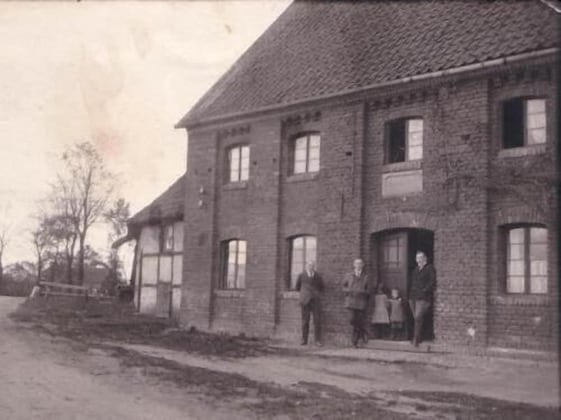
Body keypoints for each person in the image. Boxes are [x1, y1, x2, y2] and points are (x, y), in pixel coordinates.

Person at [409, 251, 436, 347]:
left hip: (424, 298)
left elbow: (432, 282)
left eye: (420, 257)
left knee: (418, 317)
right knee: (417, 318)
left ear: (425, 258)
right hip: (413, 297)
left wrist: (425, 290)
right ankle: (419, 337)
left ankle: (416, 338)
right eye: (417, 258)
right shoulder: (415, 270)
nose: (418, 260)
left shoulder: (429, 268)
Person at [342, 258, 371, 347]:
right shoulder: (348, 275)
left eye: (360, 263)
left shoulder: (366, 276)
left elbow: (369, 290)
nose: (358, 265)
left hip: (361, 302)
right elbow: (343, 287)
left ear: (363, 265)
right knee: (352, 320)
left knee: (359, 320)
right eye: (357, 264)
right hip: (351, 302)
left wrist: (362, 291)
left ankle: (354, 342)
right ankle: (363, 331)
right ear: (354, 265)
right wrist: (349, 290)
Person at [295, 260, 324, 346]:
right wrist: (305, 295)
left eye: (312, 266)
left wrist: (315, 294)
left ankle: (317, 341)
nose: (310, 267)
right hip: (305, 301)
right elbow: (297, 287)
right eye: (309, 265)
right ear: (306, 266)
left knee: (317, 321)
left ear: (314, 267)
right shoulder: (301, 276)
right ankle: (304, 340)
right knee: (305, 321)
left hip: (315, 302)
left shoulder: (318, 276)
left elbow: (322, 287)